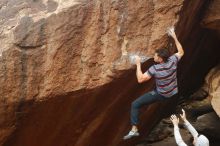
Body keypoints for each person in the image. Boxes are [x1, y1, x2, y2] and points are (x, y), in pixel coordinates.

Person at [123, 27, 184, 140]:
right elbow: (181, 51)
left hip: (161, 94)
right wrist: (174, 36)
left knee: (135, 104)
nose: (154, 56)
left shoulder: (155, 69)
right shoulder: (173, 61)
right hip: (173, 91)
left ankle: (134, 129)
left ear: (160, 59)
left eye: (156, 55)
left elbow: (140, 79)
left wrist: (138, 64)